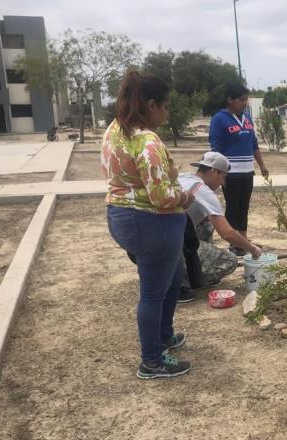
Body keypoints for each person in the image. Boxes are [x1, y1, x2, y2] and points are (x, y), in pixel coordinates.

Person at [102, 71, 193, 380]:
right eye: (165, 107)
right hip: (150, 221)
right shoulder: (147, 140)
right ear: (151, 105)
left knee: (174, 273)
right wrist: (183, 196)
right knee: (153, 290)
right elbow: (159, 195)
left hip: (122, 215)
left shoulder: (115, 130)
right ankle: (152, 360)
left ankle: (163, 335)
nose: (167, 114)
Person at [177, 152, 263, 302]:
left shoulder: (184, 177)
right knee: (230, 261)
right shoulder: (204, 192)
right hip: (173, 244)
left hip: (154, 237)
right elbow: (227, 233)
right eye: (223, 177)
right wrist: (252, 248)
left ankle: (189, 268)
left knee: (206, 222)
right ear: (213, 171)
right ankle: (180, 282)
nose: (223, 183)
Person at [208, 82, 269, 256]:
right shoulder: (219, 119)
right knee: (233, 207)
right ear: (230, 100)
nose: (245, 103)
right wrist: (221, 173)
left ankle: (243, 239)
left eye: (246, 100)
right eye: (241, 100)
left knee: (244, 207)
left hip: (247, 171)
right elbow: (216, 148)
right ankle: (234, 243)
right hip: (230, 173)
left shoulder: (247, 118)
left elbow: (254, 144)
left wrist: (262, 165)